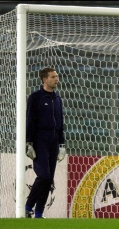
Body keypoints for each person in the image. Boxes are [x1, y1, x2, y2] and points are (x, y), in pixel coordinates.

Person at [25, 67, 66, 218]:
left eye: (57, 76)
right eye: (53, 77)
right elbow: (30, 120)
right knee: (43, 175)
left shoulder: (57, 99)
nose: (57, 79)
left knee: (49, 178)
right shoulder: (35, 97)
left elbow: (60, 122)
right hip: (39, 139)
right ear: (44, 79)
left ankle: (39, 213)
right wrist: (28, 142)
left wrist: (61, 144)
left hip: (54, 140)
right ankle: (28, 206)